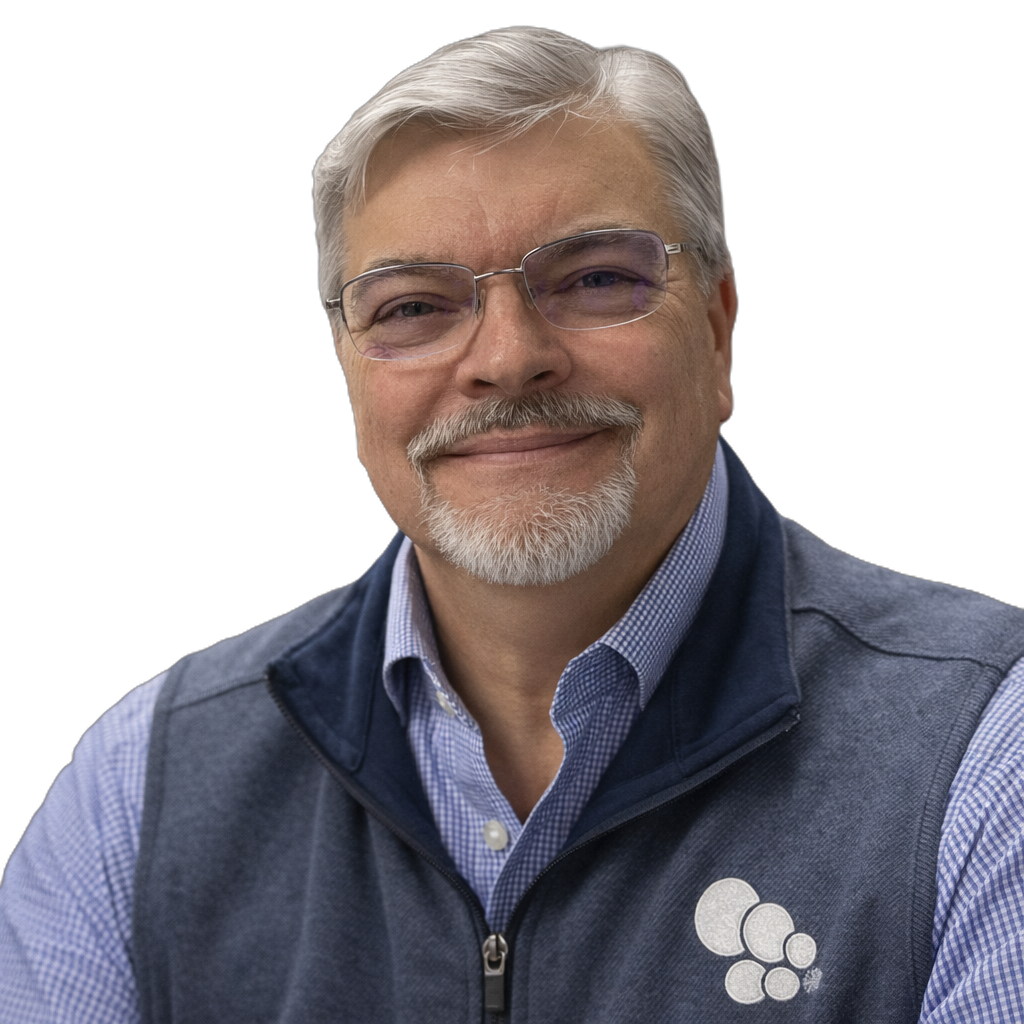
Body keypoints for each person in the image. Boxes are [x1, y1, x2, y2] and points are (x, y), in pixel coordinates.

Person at [2, 27, 1021, 1024]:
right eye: (411, 306)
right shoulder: (139, 794)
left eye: (592, 279)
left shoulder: (988, 757)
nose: (506, 357)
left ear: (715, 331)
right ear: (347, 368)